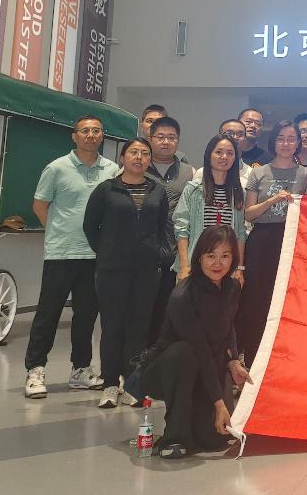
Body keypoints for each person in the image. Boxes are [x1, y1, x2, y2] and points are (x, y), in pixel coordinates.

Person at [23, 116, 118, 399]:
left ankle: (80, 369)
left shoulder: (112, 169)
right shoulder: (56, 168)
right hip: (61, 253)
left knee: (86, 316)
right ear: (74, 136)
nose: (91, 135)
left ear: (102, 136)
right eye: (85, 131)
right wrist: (57, 232)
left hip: (95, 255)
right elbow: (40, 206)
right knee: (48, 313)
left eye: (96, 131)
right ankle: (35, 369)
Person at [144, 225, 251, 459]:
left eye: (225, 256)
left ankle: (195, 423)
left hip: (207, 365)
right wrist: (220, 404)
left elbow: (228, 326)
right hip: (168, 369)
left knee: (214, 438)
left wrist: (234, 361)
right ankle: (174, 436)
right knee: (184, 352)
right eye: (211, 256)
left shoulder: (232, 287)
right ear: (199, 257)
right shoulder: (183, 295)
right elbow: (200, 349)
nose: (218, 263)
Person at [83, 137, 172, 408]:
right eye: (133, 152)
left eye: (145, 153)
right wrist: (107, 251)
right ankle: (110, 383)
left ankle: (133, 384)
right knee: (112, 326)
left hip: (147, 270)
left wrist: (160, 254)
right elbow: (90, 226)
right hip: (112, 269)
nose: (139, 157)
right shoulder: (107, 189)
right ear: (123, 158)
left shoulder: (157, 191)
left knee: (139, 327)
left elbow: (163, 226)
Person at [239, 120, 307, 364]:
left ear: (298, 143)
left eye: (291, 139)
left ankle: (285, 359)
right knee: (257, 299)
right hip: (261, 240)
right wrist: (271, 201)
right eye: (281, 138)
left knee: (287, 299)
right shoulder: (258, 172)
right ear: (273, 142)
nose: (286, 143)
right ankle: (253, 358)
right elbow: (248, 214)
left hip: (292, 241)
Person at [145, 116, 193, 345]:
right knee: (142, 311)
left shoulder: (189, 172)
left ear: (178, 141)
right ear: (150, 138)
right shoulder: (138, 166)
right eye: (160, 137)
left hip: (176, 253)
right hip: (144, 252)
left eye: (171, 137)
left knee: (171, 311)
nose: (166, 142)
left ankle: (164, 358)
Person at [175, 135, 246, 282]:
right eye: (219, 152)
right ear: (209, 155)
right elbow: (181, 228)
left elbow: (240, 233)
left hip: (226, 267)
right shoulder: (193, 189)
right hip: (195, 264)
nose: (224, 157)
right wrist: (184, 266)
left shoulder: (238, 193)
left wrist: (239, 268)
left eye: (230, 153)